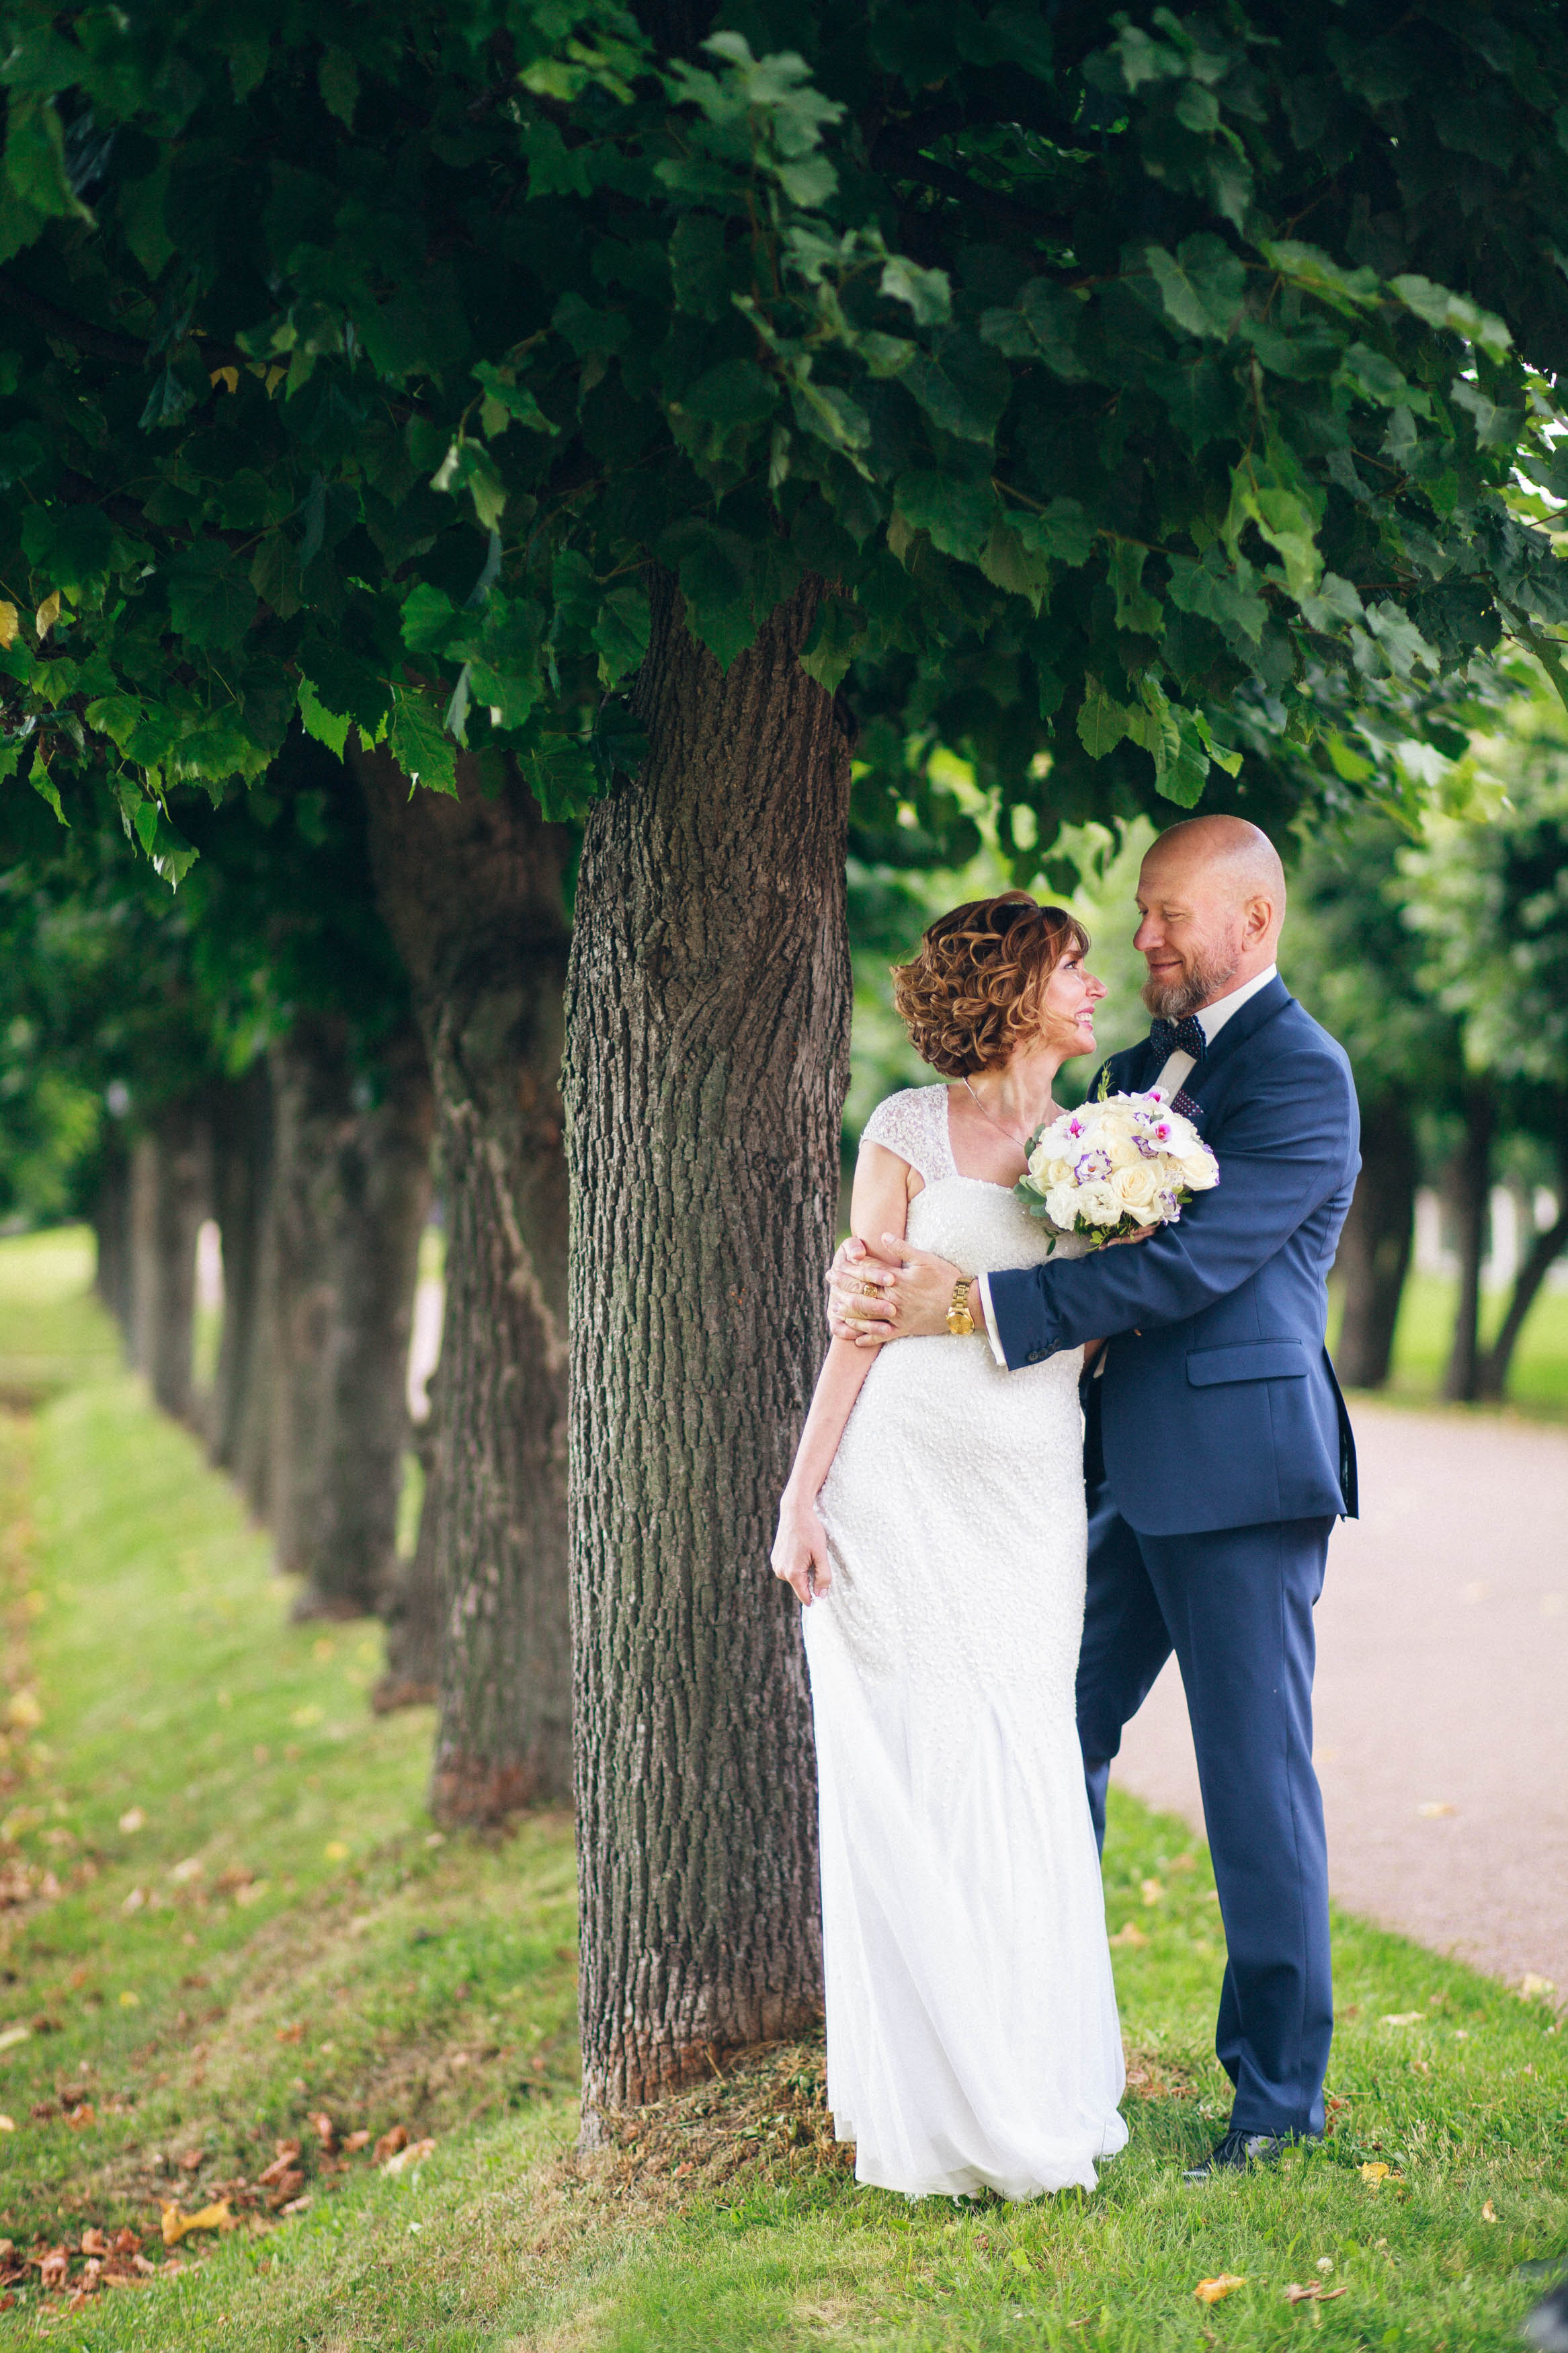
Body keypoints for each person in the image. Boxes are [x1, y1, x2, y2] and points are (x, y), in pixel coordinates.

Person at [829, 814, 1360, 2180]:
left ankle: (1276, 2101)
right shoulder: (1126, 1076)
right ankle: (1018, 2046)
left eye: (1170, 916)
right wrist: (873, 1282)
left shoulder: (1305, 1077)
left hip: (1242, 1476)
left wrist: (977, 1309)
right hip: (1098, 1470)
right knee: (1041, 1734)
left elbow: (1192, 1270)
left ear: (1251, 918)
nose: (1145, 941)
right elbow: (1016, 1194)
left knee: (1253, 1785)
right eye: (1138, 917)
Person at [772, 893, 1128, 2200]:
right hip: (902, 1482)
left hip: (1030, 1493)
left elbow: (1096, 1328)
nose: (1095, 985)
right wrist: (800, 1497)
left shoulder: (1105, 1143)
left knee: (1024, 1750)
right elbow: (860, 1318)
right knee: (921, 1760)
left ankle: (1028, 2073)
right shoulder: (908, 1128)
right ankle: (932, 2092)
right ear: (1012, 980)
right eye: (1074, 964)